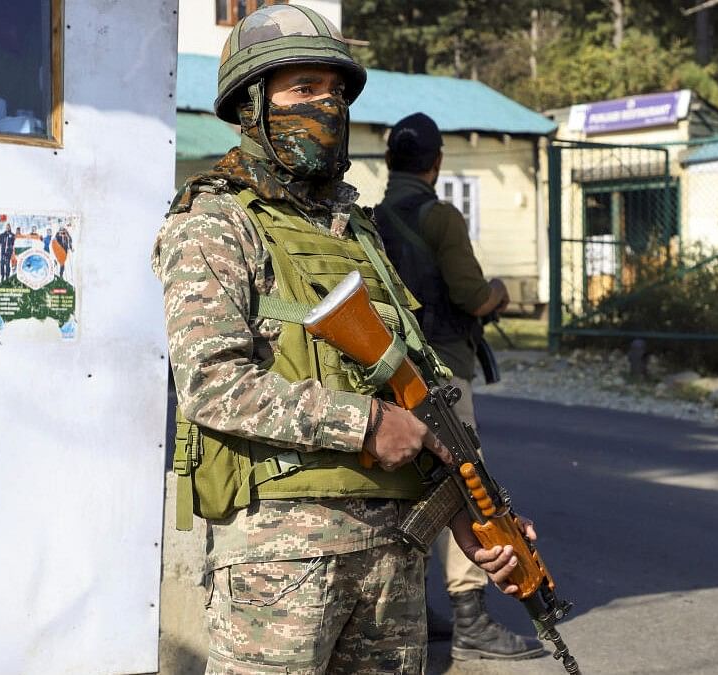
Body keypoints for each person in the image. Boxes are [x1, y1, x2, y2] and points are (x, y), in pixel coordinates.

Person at [151, 6, 534, 673]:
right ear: (251, 105)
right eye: (302, 89)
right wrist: (363, 423)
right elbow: (211, 384)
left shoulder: (358, 231)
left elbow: (419, 389)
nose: (325, 105)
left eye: (334, 91)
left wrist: (474, 510)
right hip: (284, 561)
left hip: (394, 560)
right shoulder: (214, 220)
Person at [374, 113, 544, 662]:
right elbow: (471, 296)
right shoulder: (439, 216)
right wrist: (498, 291)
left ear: (390, 161)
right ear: (437, 162)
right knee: (469, 487)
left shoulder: (371, 219)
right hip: (442, 372)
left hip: (390, 374)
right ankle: (471, 615)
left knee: (415, 488)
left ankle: (415, 608)